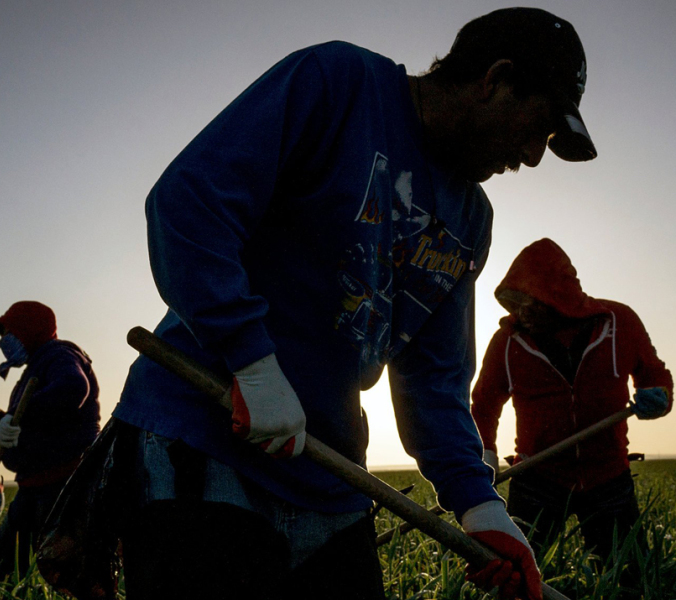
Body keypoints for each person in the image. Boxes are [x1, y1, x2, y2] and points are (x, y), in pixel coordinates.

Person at [110, 7, 597, 600]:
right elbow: (190, 206)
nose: (531, 156)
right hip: (205, 444)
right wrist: (252, 363)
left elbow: (434, 382)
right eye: (537, 127)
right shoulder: (339, 84)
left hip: (331, 476)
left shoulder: (471, 217)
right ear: (495, 79)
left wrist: (481, 506)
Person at [470, 238, 672, 573]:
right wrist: (485, 456)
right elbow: (484, 404)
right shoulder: (508, 342)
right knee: (515, 574)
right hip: (537, 477)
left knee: (628, 575)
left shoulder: (619, 322)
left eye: (529, 302)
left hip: (608, 477)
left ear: (557, 297)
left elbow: (653, 372)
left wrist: (659, 394)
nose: (520, 313)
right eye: (514, 303)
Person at [0, 300, 100, 578]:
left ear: (27, 330)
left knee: (66, 572)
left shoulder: (59, 355)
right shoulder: (34, 370)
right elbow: (14, 430)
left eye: (7, 332)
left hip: (63, 485)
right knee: (3, 566)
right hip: (35, 485)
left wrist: (17, 417)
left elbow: (74, 387)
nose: (3, 341)